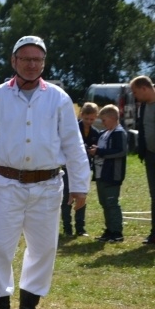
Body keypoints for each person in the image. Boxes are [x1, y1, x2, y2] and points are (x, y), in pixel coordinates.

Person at [0, 35, 90, 309]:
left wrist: (80, 185)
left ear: (44, 63)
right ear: (14, 61)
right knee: (0, 247)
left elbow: (73, 144)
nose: (31, 64)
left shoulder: (59, 98)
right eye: (25, 59)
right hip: (8, 183)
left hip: (47, 184)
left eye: (37, 59)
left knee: (43, 248)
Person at [89, 105, 127, 242]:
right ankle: (109, 230)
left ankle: (117, 232)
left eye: (104, 120)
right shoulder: (104, 133)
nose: (102, 123)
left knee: (112, 203)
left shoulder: (119, 133)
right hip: (101, 173)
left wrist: (99, 152)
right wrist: (94, 150)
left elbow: (121, 151)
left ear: (112, 118)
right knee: (104, 203)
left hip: (112, 174)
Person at [62, 102, 100, 237]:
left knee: (82, 197)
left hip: (84, 169)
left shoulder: (96, 133)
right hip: (68, 168)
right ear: (81, 115)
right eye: (87, 118)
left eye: (92, 119)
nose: (89, 121)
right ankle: (67, 228)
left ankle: (80, 228)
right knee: (67, 197)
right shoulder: (73, 130)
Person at [131, 75, 155, 245]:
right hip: (150, 155)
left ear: (144, 88)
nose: (135, 96)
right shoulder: (144, 107)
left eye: (135, 92)